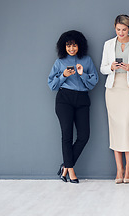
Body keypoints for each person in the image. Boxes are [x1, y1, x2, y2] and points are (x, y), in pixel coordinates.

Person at [48, 30, 99, 184]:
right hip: (64, 99)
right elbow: (51, 85)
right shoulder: (59, 62)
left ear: (79, 46)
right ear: (64, 47)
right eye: (68, 45)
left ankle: (65, 166)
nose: (71, 48)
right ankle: (71, 170)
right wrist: (63, 75)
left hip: (82, 99)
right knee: (67, 135)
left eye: (74, 45)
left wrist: (82, 74)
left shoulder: (87, 60)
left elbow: (94, 81)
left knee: (84, 136)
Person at [100, 14, 129, 184]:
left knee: (127, 125)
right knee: (115, 127)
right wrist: (111, 67)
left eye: (124, 30)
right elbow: (103, 68)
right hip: (113, 88)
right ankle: (119, 168)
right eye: (118, 29)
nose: (121, 32)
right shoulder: (108, 44)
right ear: (115, 28)